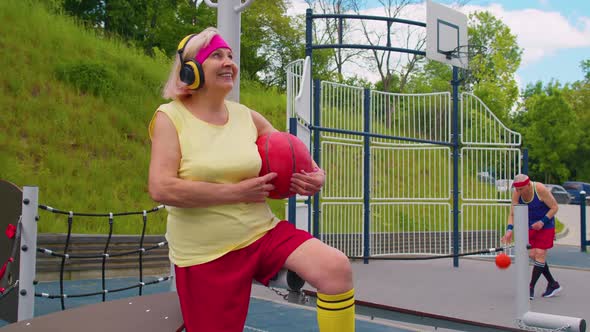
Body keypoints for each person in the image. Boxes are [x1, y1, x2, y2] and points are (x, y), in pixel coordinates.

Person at [147, 27, 355, 332]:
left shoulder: (246, 116)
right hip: (206, 251)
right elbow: (161, 187)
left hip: (262, 233)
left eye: (230, 56)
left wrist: (316, 175)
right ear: (190, 71)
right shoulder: (170, 117)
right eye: (217, 55)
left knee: (335, 268)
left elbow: (293, 152)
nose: (228, 62)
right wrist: (236, 192)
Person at [501, 174, 562, 300]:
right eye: (517, 189)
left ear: (528, 185)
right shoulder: (517, 193)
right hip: (530, 225)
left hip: (545, 224)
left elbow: (554, 207)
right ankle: (553, 284)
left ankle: (530, 287)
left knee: (540, 253)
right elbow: (512, 213)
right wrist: (509, 230)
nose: (519, 192)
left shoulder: (539, 189)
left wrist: (542, 221)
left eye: (521, 189)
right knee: (533, 255)